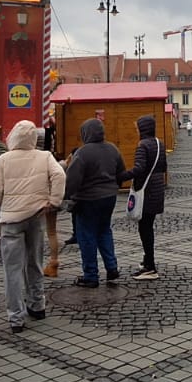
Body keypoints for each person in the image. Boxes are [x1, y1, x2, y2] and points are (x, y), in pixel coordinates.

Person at [0, 119, 65, 331]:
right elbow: (59, 175)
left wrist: (4, 204)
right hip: (36, 214)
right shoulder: (44, 156)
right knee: (35, 262)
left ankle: (16, 317)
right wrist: (53, 201)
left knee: (12, 269)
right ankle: (37, 305)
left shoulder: (3, 160)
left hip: (11, 219)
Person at [63, 118, 130, 288]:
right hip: (109, 198)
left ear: (85, 133)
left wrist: (65, 196)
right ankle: (111, 267)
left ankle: (91, 275)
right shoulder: (112, 148)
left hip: (87, 200)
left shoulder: (82, 153)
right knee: (104, 231)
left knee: (87, 236)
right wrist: (114, 187)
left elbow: (73, 180)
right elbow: (121, 172)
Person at [127, 114, 168, 279]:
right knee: (148, 226)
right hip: (157, 190)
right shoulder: (160, 143)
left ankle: (150, 267)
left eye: (137, 127)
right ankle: (147, 260)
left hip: (146, 192)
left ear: (142, 129)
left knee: (145, 229)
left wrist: (121, 175)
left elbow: (139, 168)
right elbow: (164, 167)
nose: (136, 130)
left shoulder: (142, 145)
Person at [39, 118, 63, 277]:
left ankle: (35, 263)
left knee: (35, 233)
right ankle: (53, 261)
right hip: (50, 201)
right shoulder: (50, 158)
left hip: (35, 200)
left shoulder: (32, 158)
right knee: (52, 232)